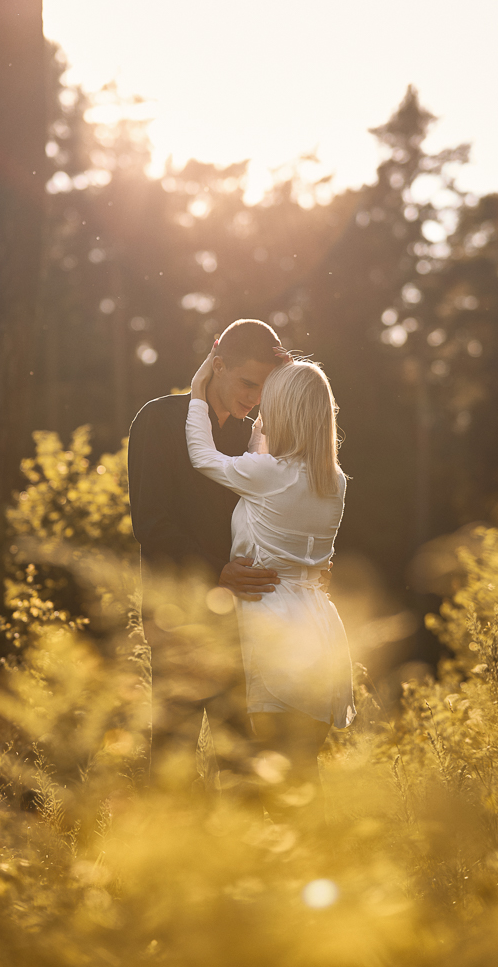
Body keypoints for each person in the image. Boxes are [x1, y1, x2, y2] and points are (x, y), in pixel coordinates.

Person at [186, 347, 356, 820]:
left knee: (261, 776)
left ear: (281, 413)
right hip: (318, 625)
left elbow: (204, 456)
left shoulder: (267, 475)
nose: (258, 411)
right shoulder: (334, 481)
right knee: (303, 773)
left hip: (272, 624)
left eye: (268, 404)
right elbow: (268, 476)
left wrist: (200, 392)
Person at [128, 319, 286, 788]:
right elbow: (151, 524)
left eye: (265, 388)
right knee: (172, 755)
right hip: (175, 613)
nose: (254, 397)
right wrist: (218, 572)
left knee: (240, 755)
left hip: (243, 619)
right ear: (217, 365)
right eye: (247, 383)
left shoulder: (254, 438)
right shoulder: (156, 421)